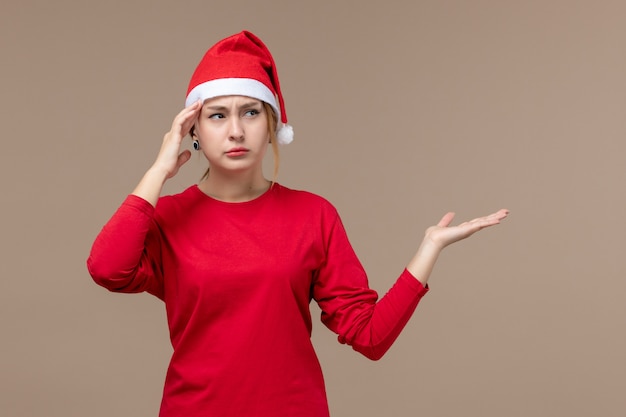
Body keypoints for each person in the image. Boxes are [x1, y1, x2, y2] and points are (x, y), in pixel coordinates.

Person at [87, 30, 508, 417]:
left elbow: (370, 337)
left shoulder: (313, 215)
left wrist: (428, 249)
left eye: (250, 112)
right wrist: (158, 171)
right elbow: (108, 269)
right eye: (217, 116)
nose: (235, 130)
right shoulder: (169, 218)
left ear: (272, 125)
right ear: (192, 128)